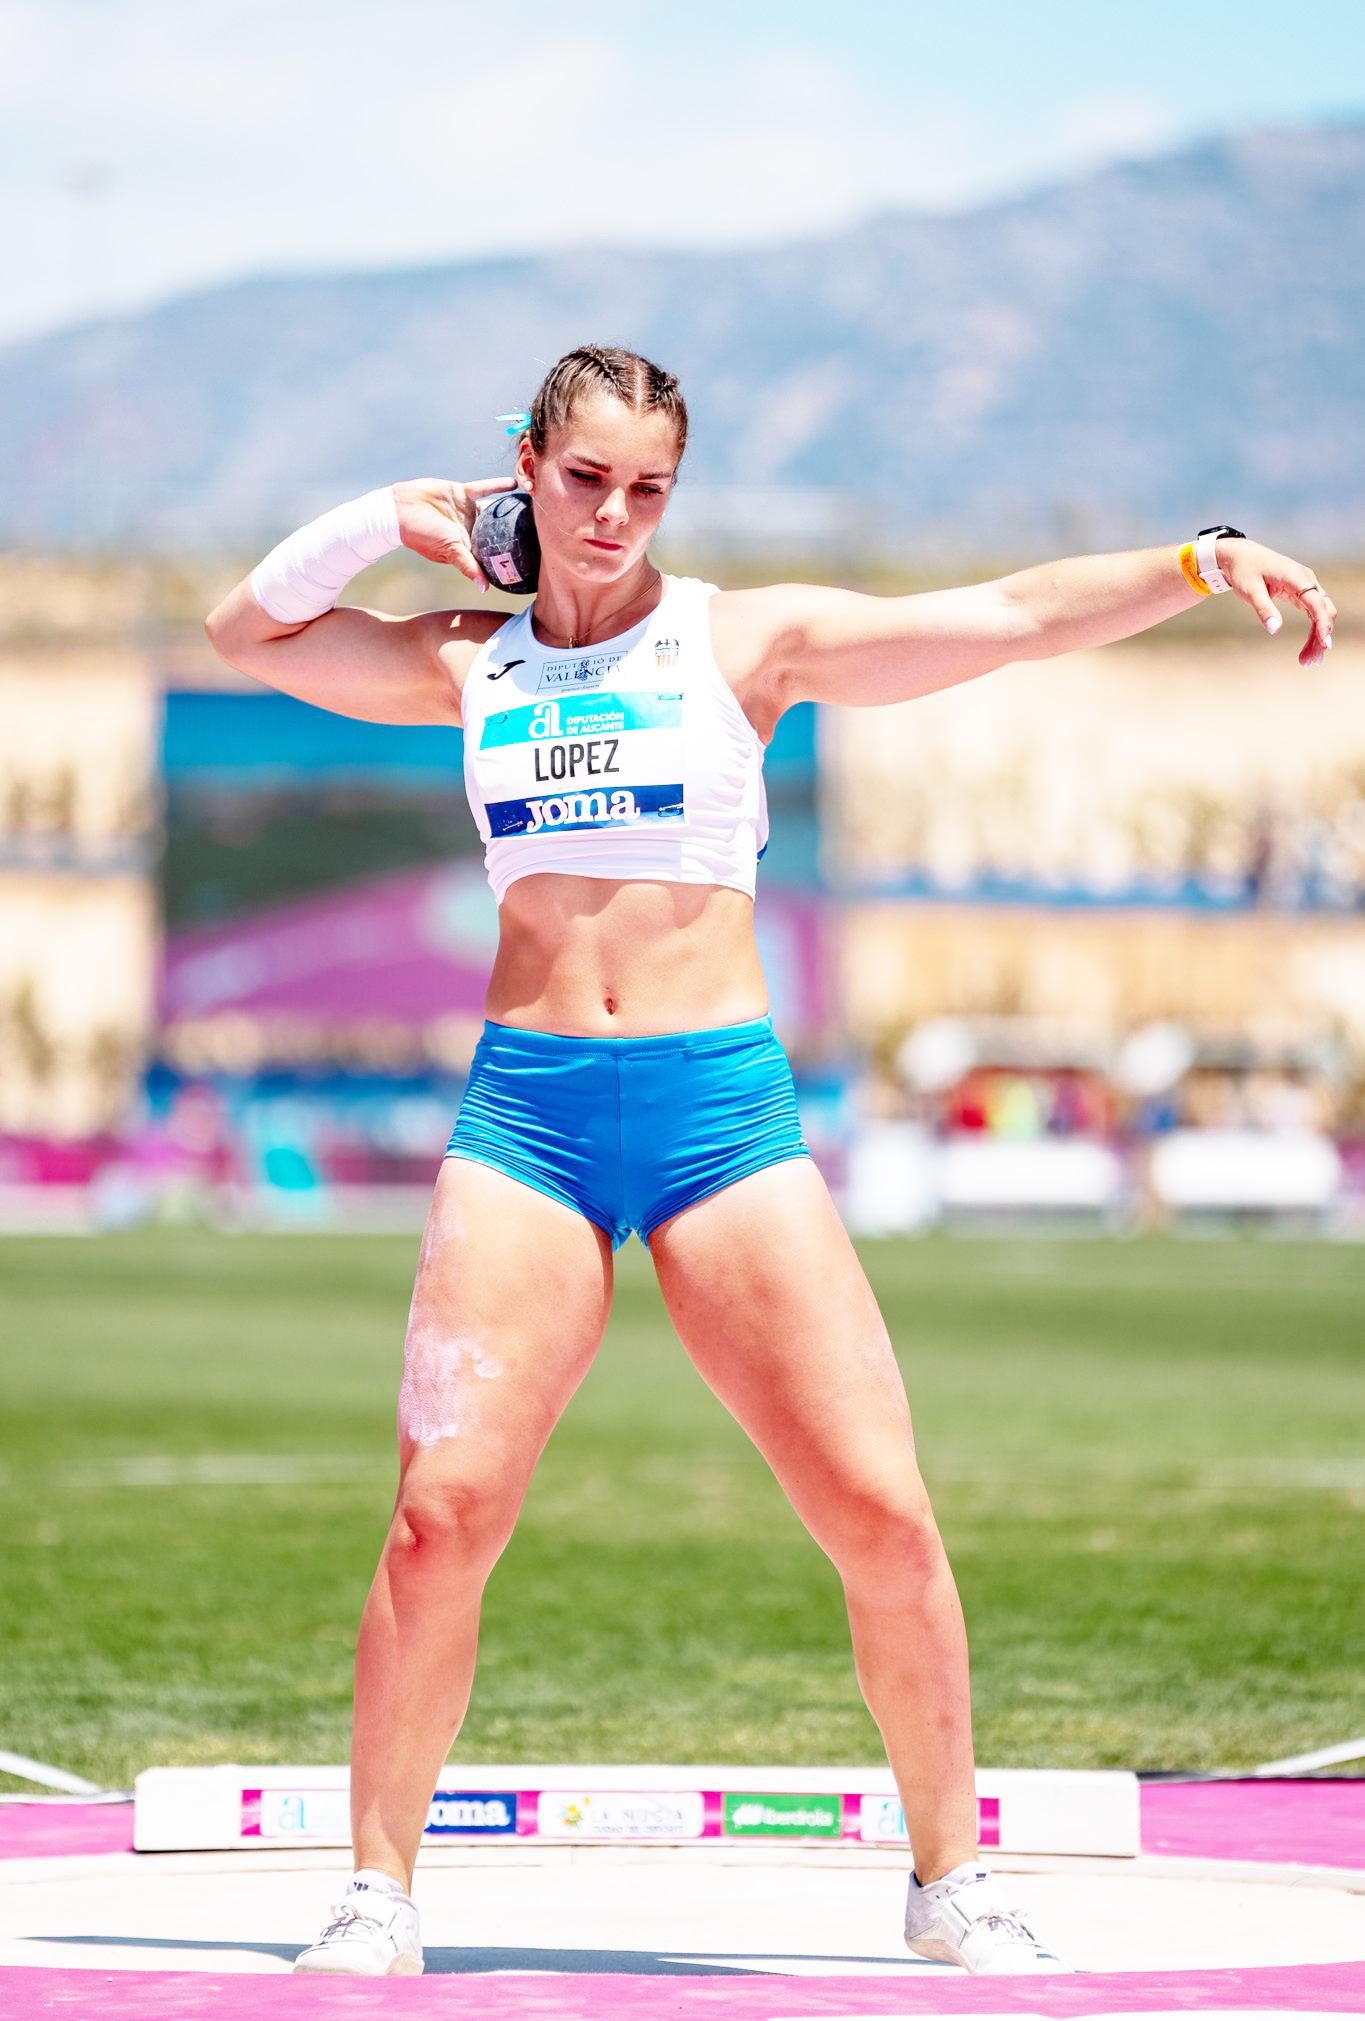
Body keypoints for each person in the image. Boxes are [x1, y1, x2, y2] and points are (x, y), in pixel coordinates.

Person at [204, 343, 1335, 1979]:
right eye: (583, 478)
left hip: (716, 1120)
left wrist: (1192, 559)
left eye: (647, 487)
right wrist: (385, 516)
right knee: (439, 1515)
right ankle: (378, 1890)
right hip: (526, 1118)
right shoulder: (467, 658)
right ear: (523, 467)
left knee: (879, 1510)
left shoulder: (740, 639)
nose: (613, 514)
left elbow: (1006, 614)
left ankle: (950, 1880)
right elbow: (245, 635)